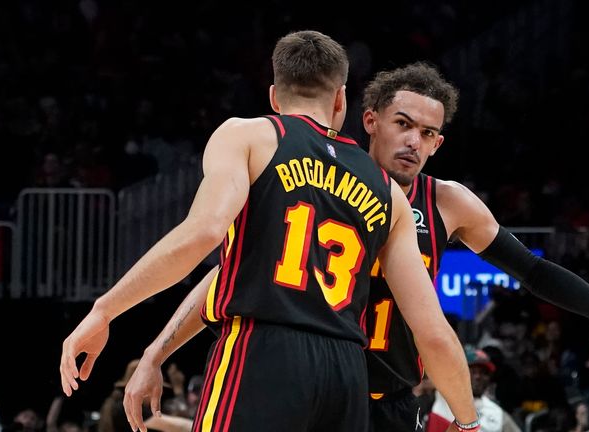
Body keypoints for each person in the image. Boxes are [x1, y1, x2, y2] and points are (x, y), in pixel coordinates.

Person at [123, 62, 589, 432]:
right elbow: (229, 274)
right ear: (370, 120)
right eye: (404, 124)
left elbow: (532, 270)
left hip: (393, 403)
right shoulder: (316, 178)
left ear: (439, 142)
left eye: (428, 133)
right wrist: (157, 352)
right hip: (325, 384)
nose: (414, 141)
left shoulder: (448, 202)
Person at [59, 31, 478, 432]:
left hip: (264, 349)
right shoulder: (388, 191)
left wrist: (104, 310)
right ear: (340, 100)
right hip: (348, 372)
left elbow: (203, 234)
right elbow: (431, 329)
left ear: (275, 96)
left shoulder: (250, 135)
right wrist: (467, 419)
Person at [425, 346, 521, 432]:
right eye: (473, 371)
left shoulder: (497, 414)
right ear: (460, 372)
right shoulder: (439, 394)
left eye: (484, 373)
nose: (478, 377)